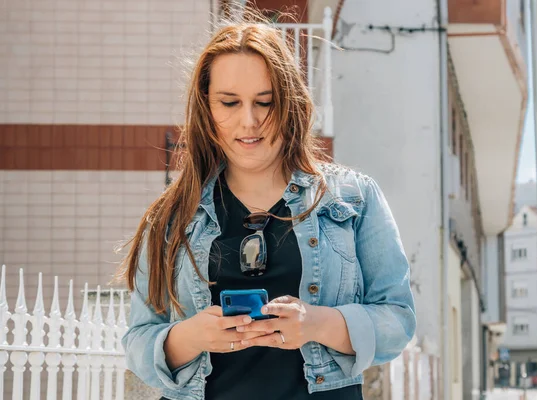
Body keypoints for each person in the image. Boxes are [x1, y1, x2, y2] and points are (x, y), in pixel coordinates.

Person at [117, 11, 416, 400]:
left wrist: (316, 324)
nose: (249, 120)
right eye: (229, 102)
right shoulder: (171, 217)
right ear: (206, 110)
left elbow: (397, 319)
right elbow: (139, 341)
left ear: (289, 103)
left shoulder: (354, 199)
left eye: (265, 101)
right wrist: (192, 336)